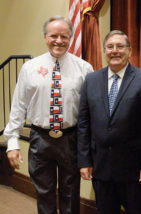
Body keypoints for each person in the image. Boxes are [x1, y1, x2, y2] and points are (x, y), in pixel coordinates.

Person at [4, 15, 93, 214]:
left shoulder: (84, 69)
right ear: (45, 37)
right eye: (54, 35)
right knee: (44, 192)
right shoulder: (30, 68)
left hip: (71, 139)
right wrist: (12, 142)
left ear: (70, 37)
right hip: (40, 139)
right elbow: (19, 105)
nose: (59, 41)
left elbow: (89, 112)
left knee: (70, 193)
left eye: (64, 36)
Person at [77, 30, 141, 214]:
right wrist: (84, 161)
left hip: (134, 170)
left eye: (120, 46)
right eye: (110, 47)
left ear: (129, 51)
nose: (115, 51)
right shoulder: (91, 80)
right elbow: (84, 123)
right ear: (104, 51)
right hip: (101, 167)